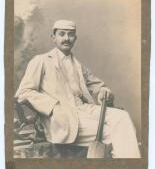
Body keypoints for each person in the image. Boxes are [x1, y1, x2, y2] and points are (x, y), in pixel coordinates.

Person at [15, 19, 141, 158]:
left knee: (122, 117)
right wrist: (52, 106)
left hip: (84, 109)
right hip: (62, 117)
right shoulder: (41, 61)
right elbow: (23, 92)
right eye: (61, 34)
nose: (66, 39)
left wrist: (104, 92)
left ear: (75, 38)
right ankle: (127, 168)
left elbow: (98, 86)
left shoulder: (78, 65)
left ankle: (125, 166)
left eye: (70, 35)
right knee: (115, 131)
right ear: (53, 37)